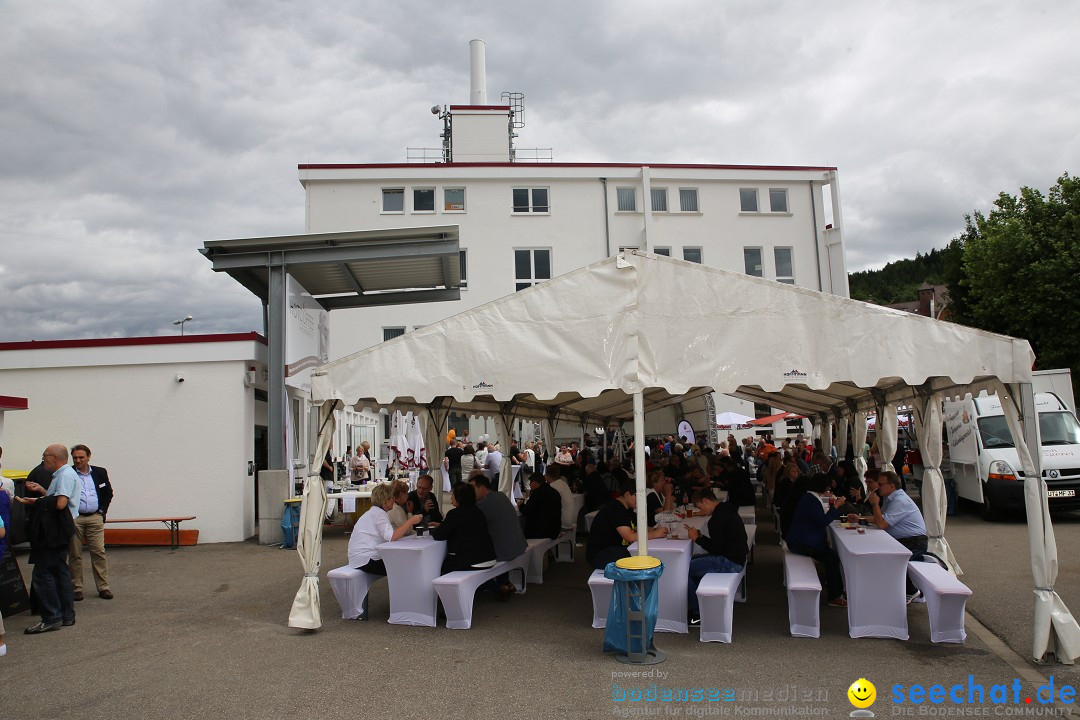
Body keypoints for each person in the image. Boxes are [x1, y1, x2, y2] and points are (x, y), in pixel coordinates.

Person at [17, 444, 80, 633]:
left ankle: (52, 617)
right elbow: (57, 498)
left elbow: (60, 503)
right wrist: (40, 495)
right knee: (59, 571)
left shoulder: (66, 475)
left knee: (42, 573)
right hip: (58, 529)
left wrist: (39, 501)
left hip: (56, 530)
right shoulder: (60, 475)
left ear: (54, 457)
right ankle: (66, 615)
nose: (43, 459)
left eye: (45, 455)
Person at [685, 488, 748, 625]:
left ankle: (697, 613)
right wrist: (700, 536)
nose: (700, 511)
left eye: (700, 506)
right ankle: (701, 606)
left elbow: (717, 550)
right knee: (693, 563)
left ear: (706, 501)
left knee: (683, 570)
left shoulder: (716, 519)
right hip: (738, 557)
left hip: (730, 562)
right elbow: (720, 544)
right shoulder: (727, 509)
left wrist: (698, 539)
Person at [785, 474, 846, 607]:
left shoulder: (809, 497)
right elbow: (822, 521)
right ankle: (834, 596)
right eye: (828, 487)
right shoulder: (811, 500)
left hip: (801, 540)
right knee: (833, 558)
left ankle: (833, 586)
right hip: (802, 543)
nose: (829, 489)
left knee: (831, 556)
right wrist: (835, 507)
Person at [67, 444, 114, 601]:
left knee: (98, 552)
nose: (78, 460)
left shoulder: (100, 472)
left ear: (88, 457)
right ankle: (77, 588)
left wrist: (102, 512)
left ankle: (103, 587)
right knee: (75, 553)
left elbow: (108, 492)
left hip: (95, 517)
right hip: (75, 518)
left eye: (81, 457)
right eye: (75, 458)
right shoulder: (69, 473)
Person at [586, 479, 667, 569]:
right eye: (638, 496)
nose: (641, 500)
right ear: (628, 494)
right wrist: (654, 534)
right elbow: (630, 537)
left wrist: (656, 530)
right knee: (638, 560)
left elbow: (641, 527)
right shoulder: (615, 508)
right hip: (601, 553)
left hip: (613, 550)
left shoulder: (627, 510)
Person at [470, 474, 526, 599]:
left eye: (472, 489)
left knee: (472, 561)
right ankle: (504, 582)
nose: (470, 493)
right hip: (518, 545)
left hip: (505, 551)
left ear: (482, 488)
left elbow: (470, 525)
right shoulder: (501, 495)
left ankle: (497, 587)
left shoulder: (483, 505)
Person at [430, 483, 497, 573]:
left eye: (452, 495)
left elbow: (438, 535)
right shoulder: (477, 511)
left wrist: (437, 528)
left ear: (459, 497)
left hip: (473, 560)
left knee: (443, 569)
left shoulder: (455, 514)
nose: (451, 498)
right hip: (489, 556)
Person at [868, 470, 928, 553]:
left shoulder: (900, 500)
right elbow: (880, 518)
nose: (877, 487)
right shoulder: (889, 497)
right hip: (905, 540)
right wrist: (859, 519)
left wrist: (875, 504)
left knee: (875, 551)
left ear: (892, 486)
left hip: (913, 541)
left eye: (880, 484)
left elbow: (881, 524)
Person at [519, 472, 561, 539]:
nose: (529, 484)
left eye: (530, 482)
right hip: (554, 531)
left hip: (540, 533)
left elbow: (526, 511)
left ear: (535, 483)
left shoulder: (537, 494)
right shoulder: (555, 492)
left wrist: (521, 505)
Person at [546, 465, 575, 530]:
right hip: (570, 520)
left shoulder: (552, 487)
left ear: (547, 475)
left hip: (563, 524)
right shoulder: (564, 484)